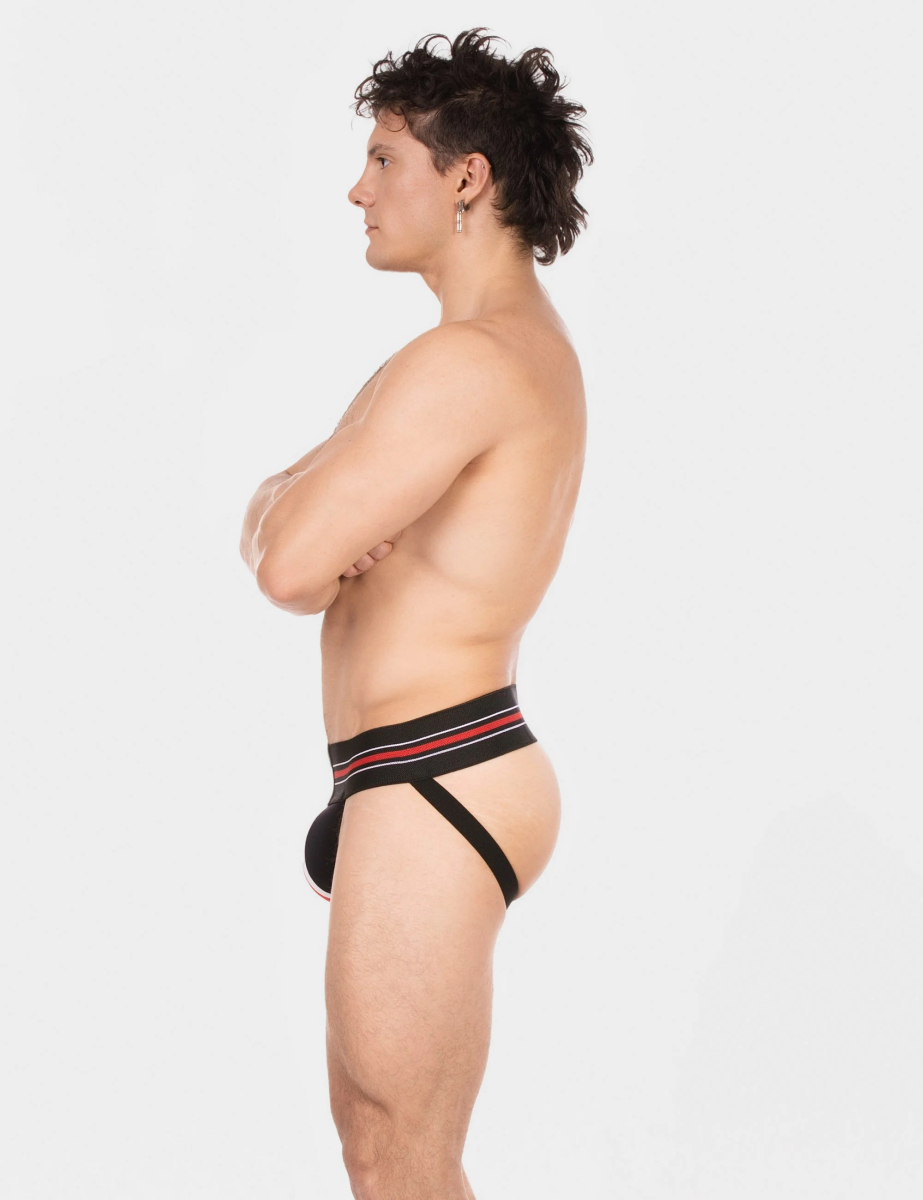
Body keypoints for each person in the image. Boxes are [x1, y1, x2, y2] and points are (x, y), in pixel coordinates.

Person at [240, 27, 592, 1199]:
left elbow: (286, 563)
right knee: (381, 1154)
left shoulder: (465, 366)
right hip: (416, 767)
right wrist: (289, 512)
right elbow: (288, 536)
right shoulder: (480, 356)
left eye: (383, 158)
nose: (358, 188)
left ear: (466, 178)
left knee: (403, 1154)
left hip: (436, 768)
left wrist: (290, 511)